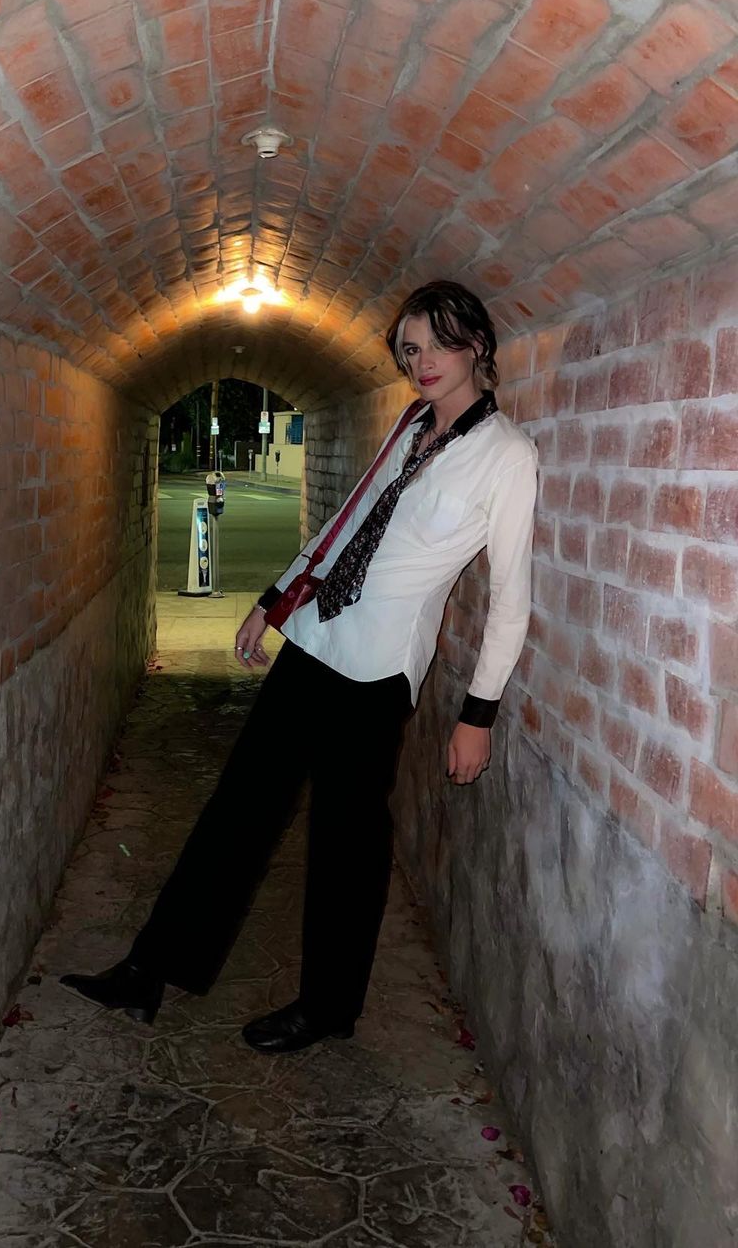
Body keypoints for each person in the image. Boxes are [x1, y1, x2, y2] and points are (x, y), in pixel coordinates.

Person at [62, 281, 537, 1054]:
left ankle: (327, 1007)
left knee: (347, 843)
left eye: (438, 344)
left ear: (477, 344)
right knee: (238, 807)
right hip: (317, 640)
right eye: (410, 349)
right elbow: (346, 524)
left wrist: (476, 714)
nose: (422, 362)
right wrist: (273, 601)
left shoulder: (507, 457)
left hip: (378, 670)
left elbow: (512, 599)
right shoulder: (411, 424)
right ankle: (150, 969)